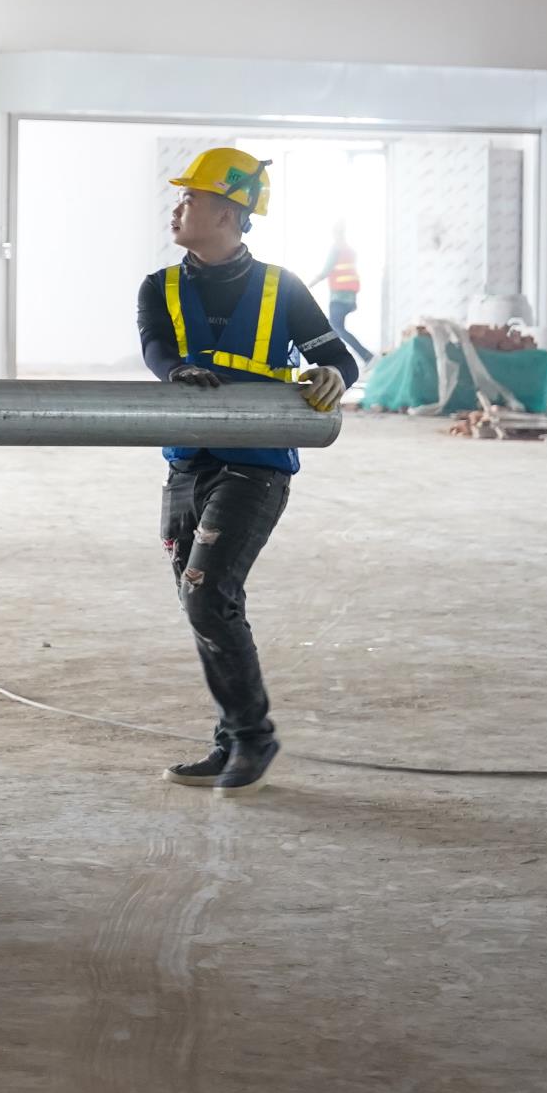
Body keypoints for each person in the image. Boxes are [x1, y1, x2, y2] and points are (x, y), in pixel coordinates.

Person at [136, 148, 356, 793]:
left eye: (191, 198)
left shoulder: (282, 287)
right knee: (204, 602)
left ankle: (252, 737)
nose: (177, 208)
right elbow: (156, 348)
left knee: (207, 595)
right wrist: (177, 371)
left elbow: (337, 355)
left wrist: (332, 374)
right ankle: (232, 738)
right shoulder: (159, 286)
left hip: (256, 463)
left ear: (229, 213)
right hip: (187, 462)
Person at [317, 223, 372, 363]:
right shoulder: (349, 251)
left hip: (338, 297)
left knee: (335, 328)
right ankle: (363, 356)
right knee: (336, 328)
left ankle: (364, 356)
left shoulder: (335, 250)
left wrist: (307, 285)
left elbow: (325, 271)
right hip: (350, 298)